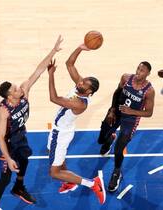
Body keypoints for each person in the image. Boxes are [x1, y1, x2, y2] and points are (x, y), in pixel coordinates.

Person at [0, 36, 63, 210]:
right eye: (15, 89)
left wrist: (53, 50)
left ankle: (19, 187)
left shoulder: (24, 92)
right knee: (5, 177)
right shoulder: (4, 110)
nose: (20, 88)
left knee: (25, 159)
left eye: (18, 86)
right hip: (7, 142)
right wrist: (7, 157)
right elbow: (0, 137)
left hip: (20, 135)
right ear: (9, 96)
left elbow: (38, 70)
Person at [46, 44, 105, 204]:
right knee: (52, 153)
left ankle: (93, 184)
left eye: (84, 84)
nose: (80, 82)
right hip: (60, 130)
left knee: (54, 172)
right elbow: (69, 64)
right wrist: (80, 47)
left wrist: (51, 74)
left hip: (61, 134)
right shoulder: (80, 88)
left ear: (89, 92)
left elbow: (54, 98)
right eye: (82, 80)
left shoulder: (80, 103)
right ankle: (69, 181)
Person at [97, 61, 155, 192]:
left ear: (148, 74)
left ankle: (117, 173)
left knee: (119, 149)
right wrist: (112, 110)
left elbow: (149, 113)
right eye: (138, 69)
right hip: (116, 111)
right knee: (101, 139)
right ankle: (109, 139)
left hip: (130, 119)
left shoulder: (149, 91)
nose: (139, 72)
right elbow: (117, 93)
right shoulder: (126, 78)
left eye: (142, 70)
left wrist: (131, 111)